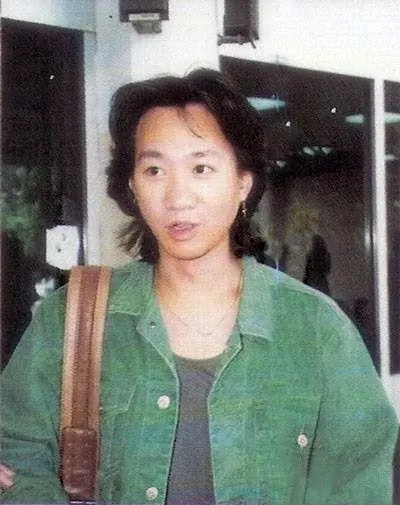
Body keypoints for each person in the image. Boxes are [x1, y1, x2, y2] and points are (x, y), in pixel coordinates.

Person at [1, 68, 398, 505]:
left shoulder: (317, 329)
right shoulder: (74, 319)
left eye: (201, 168)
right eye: (154, 170)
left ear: (242, 184)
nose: (178, 197)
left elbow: (357, 484)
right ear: (133, 188)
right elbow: (17, 456)